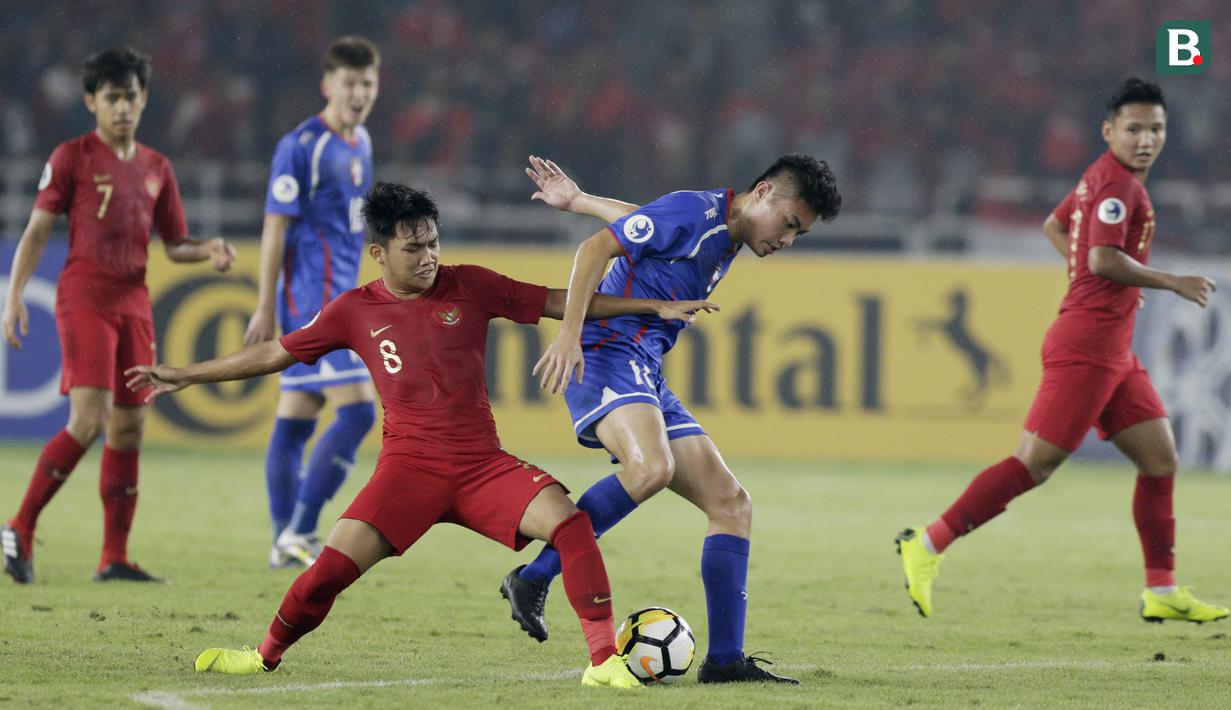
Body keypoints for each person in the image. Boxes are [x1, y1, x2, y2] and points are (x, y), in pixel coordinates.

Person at [125, 182, 717, 685]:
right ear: (379, 252)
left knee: (570, 523)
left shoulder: (472, 284)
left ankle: (602, 662)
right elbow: (274, 355)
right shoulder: (351, 310)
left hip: (482, 466)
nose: (429, 256)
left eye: (434, 242)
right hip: (407, 471)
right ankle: (262, 656)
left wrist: (648, 308)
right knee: (328, 572)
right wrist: (183, 373)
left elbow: (561, 302)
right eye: (414, 248)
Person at [895, 78, 1228, 624]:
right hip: (1088, 346)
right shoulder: (1121, 188)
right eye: (1135, 129)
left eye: (1156, 129)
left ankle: (1161, 588)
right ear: (1109, 130)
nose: (1147, 139)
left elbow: (1057, 224)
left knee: (1160, 457)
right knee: (1035, 465)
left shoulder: (1101, 175)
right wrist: (1168, 281)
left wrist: (1101, 286)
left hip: (1113, 348)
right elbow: (1100, 258)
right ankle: (927, 544)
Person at [500, 154, 841, 684]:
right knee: (650, 468)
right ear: (765, 192)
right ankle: (536, 575)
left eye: (800, 233)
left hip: (644, 366)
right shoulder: (697, 213)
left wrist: (581, 200)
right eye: (790, 224)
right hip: (605, 350)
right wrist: (568, 334)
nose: (788, 240)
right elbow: (595, 249)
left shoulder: (721, 227)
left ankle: (725, 661)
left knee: (731, 505)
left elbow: (645, 219)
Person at [1, 47, 236, 585]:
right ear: (91, 102)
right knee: (88, 420)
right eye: (112, 98)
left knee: (129, 427)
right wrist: (13, 296)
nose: (123, 107)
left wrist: (211, 250)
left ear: (144, 98)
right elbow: (38, 230)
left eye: (131, 96)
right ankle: (19, 523)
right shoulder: (72, 157)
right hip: (84, 293)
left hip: (135, 300)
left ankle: (115, 557)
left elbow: (176, 245)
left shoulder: (157, 168)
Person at [242, 37, 382, 568]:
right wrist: (265, 306)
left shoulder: (361, 142)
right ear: (328, 86)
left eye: (367, 83)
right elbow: (275, 229)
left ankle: (286, 538)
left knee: (298, 415)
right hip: (313, 304)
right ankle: (299, 529)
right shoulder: (301, 145)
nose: (359, 93)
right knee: (358, 413)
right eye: (349, 83)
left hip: (342, 297)